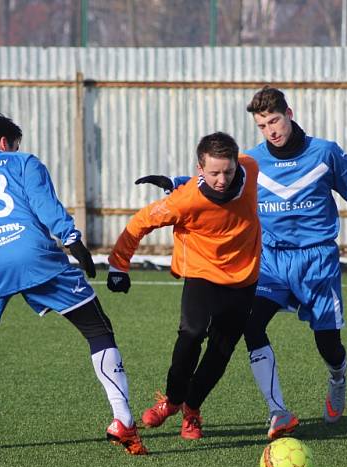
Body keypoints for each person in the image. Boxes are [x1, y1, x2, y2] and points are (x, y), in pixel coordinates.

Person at [136, 87, 347, 440]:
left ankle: (338, 374)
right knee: (250, 325)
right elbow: (218, 182)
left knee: (328, 344)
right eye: (262, 125)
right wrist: (176, 183)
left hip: (316, 262)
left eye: (275, 121)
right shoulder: (250, 162)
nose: (271, 130)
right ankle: (278, 411)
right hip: (269, 261)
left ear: (289, 113)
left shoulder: (325, 154)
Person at [0, 113, 146, 455]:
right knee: (97, 330)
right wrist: (73, 240)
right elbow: (43, 204)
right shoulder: (22, 162)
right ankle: (122, 419)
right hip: (34, 258)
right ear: (6, 143)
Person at [107, 132, 261, 440]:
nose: (221, 179)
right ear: (200, 169)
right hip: (202, 273)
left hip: (244, 277)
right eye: (213, 172)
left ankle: (192, 409)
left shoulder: (251, 168)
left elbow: (238, 168)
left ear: (237, 164)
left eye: (227, 171)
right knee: (191, 334)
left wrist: (177, 179)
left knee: (221, 350)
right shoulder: (185, 200)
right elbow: (140, 222)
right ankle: (173, 401)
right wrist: (118, 265)